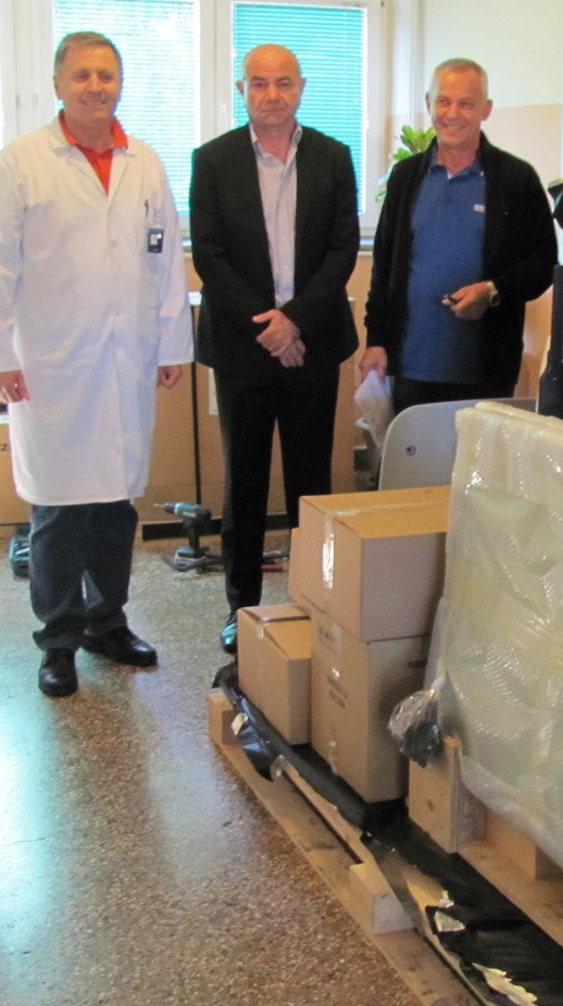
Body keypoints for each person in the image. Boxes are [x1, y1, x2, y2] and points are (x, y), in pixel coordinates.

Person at [0, 31, 192, 698]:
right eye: (83, 75)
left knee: (116, 503)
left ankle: (107, 621)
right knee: (61, 507)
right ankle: (59, 637)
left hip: (126, 358)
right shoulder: (21, 163)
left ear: (120, 84)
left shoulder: (143, 162)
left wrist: (172, 343)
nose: (96, 86)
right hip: (51, 363)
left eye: (107, 75)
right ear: (58, 83)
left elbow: (166, 260)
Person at [190, 44, 359, 655]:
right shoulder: (213, 160)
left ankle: (315, 600)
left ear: (301, 88)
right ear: (242, 90)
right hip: (243, 347)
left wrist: (296, 323)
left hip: (312, 343)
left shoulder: (333, 157)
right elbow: (209, 254)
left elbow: (342, 249)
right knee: (245, 481)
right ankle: (241, 604)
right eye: (259, 83)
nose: (272, 95)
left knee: (312, 482)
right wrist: (269, 326)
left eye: (283, 83)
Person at [359, 58, 557, 417]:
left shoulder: (516, 179)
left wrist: (492, 290)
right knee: (415, 456)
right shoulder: (405, 177)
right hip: (412, 368)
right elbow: (384, 266)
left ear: (486, 109)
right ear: (428, 104)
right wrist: (376, 341)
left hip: (486, 373)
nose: (452, 114)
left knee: (477, 457)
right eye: (443, 101)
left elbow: (543, 265)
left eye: (466, 103)